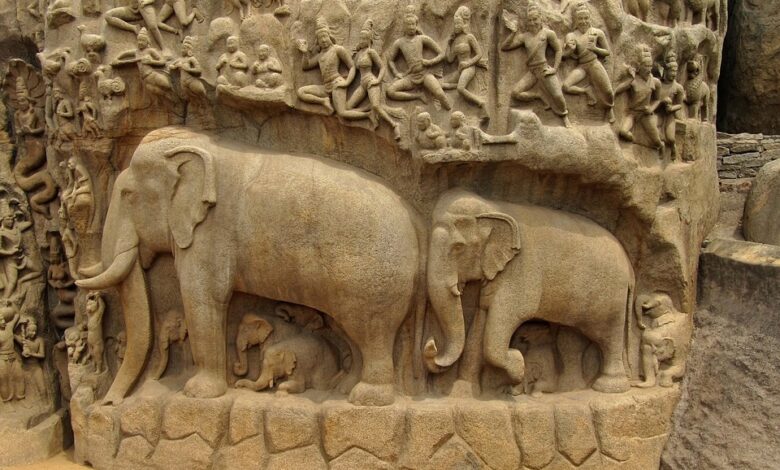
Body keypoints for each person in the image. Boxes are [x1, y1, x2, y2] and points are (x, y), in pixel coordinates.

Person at [501, 4, 571, 127]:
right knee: (515, 93)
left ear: (540, 19)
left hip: (544, 69)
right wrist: (513, 32)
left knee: (558, 95)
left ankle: (564, 116)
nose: (532, 23)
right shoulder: (525, 37)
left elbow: (558, 50)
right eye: (530, 20)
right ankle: (538, 95)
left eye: (535, 19)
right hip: (532, 72)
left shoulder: (548, 34)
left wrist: (554, 69)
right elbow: (505, 47)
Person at [297, 17, 369, 120]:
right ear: (317, 41)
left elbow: (352, 66)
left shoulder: (337, 49)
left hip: (337, 84)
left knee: (342, 113)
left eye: (325, 36)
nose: (323, 40)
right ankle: (323, 101)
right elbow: (306, 66)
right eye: (320, 38)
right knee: (301, 92)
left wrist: (346, 82)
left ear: (329, 36)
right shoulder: (320, 55)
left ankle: (368, 114)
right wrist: (304, 52)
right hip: (326, 87)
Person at [346, 19, 405, 139]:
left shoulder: (371, 52)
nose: (362, 40)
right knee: (348, 107)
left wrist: (377, 80)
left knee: (376, 106)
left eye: (364, 38)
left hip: (371, 81)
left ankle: (394, 125)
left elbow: (382, 67)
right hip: (362, 84)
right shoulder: (359, 54)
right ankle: (369, 112)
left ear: (369, 40)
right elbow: (353, 68)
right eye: (361, 38)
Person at [386, 7, 451, 110]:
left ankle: (449, 112)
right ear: (404, 26)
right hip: (411, 77)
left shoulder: (421, 38)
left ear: (416, 25)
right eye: (409, 24)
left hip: (425, 74)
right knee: (390, 91)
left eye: (413, 24)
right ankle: (418, 96)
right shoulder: (399, 42)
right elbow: (390, 60)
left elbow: (442, 54)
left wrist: (430, 62)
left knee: (440, 94)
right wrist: (396, 73)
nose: (411, 27)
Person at [562, 3, 615, 122]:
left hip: (594, 63)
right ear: (576, 20)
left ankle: (609, 108)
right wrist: (569, 50)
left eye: (586, 18)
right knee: (566, 86)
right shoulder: (572, 35)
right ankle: (586, 90)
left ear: (589, 18)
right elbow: (564, 56)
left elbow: (607, 52)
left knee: (608, 91)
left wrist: (595, 49)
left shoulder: (597, 33)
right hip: (582, 67)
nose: (583, 21)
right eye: (580, 18)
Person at [614, 46, 664, 150]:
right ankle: (637, 141)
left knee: (657, 141)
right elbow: (617, 90)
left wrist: (651, 109)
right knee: (623, 132)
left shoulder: (655, 82)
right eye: (646, 66)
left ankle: (662, 148)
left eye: (650, 66)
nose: (648, 69)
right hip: (633, 113)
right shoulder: (633, 80)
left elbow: (657, 99)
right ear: (639, 66)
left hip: (645, 114)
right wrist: (629, 78)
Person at [443, 6, 487, 114]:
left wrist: (467, 63)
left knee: (461, 88)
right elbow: (450, 59)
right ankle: (457, 85)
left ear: (464, 24)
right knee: (440, 84)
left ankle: (480, 102)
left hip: (469, 68)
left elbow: (479, 54)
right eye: (455, 24)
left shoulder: (469, 37)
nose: (456, 26)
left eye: (458, 23)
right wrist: (448, 44)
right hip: (460, 69)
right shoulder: (455, 41)